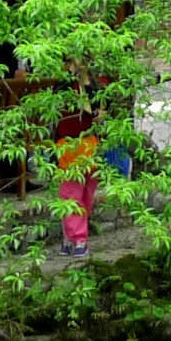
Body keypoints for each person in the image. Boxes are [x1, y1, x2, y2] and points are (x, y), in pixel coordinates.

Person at [53, 103, 99, 257]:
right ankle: (76, 237)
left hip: (91, 144)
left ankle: (73, 237)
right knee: (69, 195)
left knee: (87, 196)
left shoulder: (95, 84)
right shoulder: (64, 85)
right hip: (69, 145)